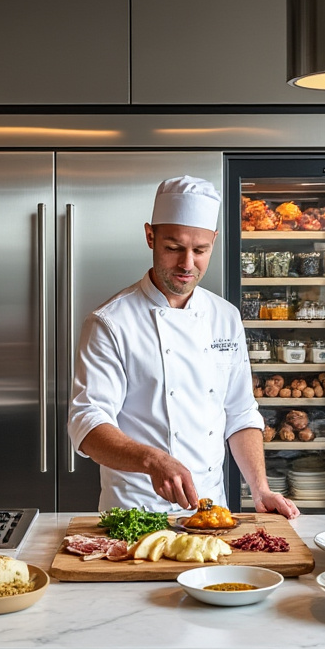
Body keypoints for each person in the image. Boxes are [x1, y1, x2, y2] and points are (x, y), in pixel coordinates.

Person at [68, 176, 298, 518]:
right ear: (150, 236)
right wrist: (153, 459)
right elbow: (86, 423)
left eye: (200, 250)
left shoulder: (225, 316)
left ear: (214, 242)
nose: (187, 264)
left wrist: (260, 489)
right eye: (174, 248)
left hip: (211, 512)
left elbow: (239, 412)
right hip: (135, 513)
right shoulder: (110, 322)